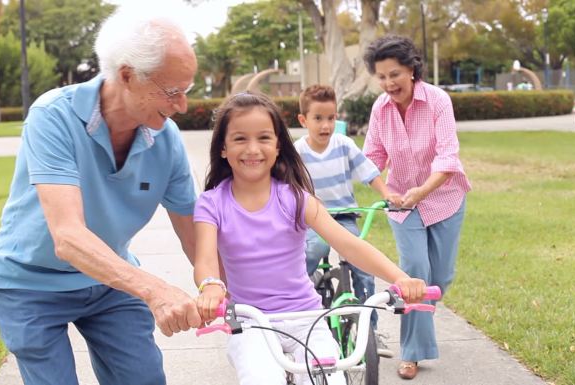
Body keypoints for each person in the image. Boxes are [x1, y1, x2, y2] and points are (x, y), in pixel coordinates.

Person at [0, 8, 202, 385]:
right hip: (31, 281)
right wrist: (156, 290)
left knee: (144, 378)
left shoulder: (167, 139)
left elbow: (195, 235)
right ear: (128, 75)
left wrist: (228, 288)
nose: (182, 105)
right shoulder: (53, 116)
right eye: (172, 91)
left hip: (108, 282)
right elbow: (67, 238)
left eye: (187, 91)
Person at [193, 91, 427, 385]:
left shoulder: (296, 198)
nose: (252, 149)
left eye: (264, 138)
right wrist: (211, 287)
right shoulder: (211, 203)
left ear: (278, 146)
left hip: (306, 318)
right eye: (240, 139)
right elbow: (204, 261)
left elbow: (348, 244)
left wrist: (400, 278)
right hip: (250, 321)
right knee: (262, 378)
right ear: (223, 148)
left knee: (329, 380)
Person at [362, 35, 472, 380]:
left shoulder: (438, 101)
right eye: (381, 77)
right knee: (414, 275)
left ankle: (420, 320)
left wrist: (422, 191)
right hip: (402, 203)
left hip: (444, 197)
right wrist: (386, 191)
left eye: (394, 74)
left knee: (440, 278)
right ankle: (412, 352)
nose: (388, 83)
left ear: (411, 70)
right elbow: (372, 158)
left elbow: (448, 155)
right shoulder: (380, 108)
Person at [294, 84, 398, 358]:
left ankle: (370, 331)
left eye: (330, 118)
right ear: (303, 120)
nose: (325, 125)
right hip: (314, 220)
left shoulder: (344, 145)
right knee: (312, 252)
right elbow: (287, 185)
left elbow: (368, 172)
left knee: (364, 268)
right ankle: (297, 314)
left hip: (344, 216)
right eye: (318, 118)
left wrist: (387, 194)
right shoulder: (297, 152)